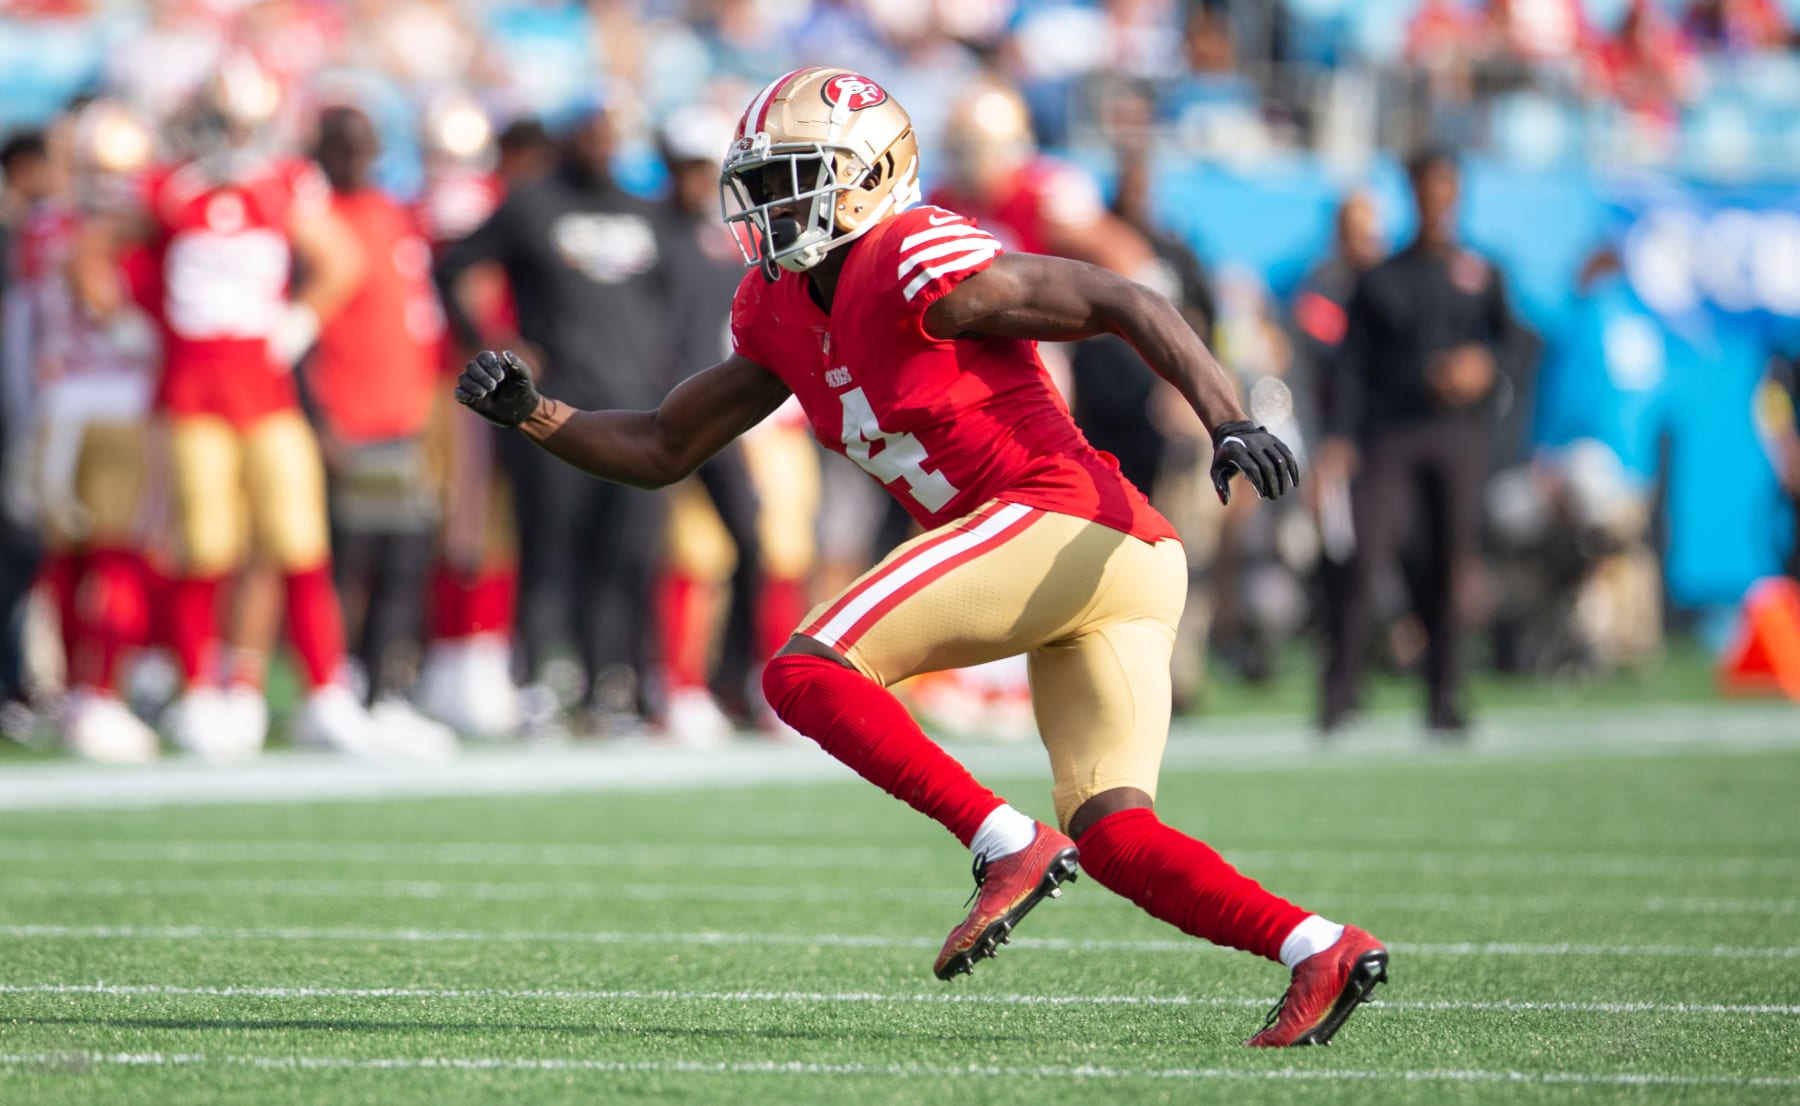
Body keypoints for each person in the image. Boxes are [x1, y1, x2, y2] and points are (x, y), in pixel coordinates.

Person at [454, 67, 1386, 1047]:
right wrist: (535, 413)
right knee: (1116, 831)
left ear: (867, 173)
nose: (769, 208)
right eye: (761, 186)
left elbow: (1119, 296)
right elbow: (659, 445)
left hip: (1060, 517)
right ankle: (1317, 946)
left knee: (806, 666)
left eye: (792, 179)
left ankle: (1005, 840)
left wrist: (1228, 415)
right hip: (1105, 559)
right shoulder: (774, 310)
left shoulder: (910, 255)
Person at [79, 59, 391, 759]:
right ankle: (199, 692)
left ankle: (326, 693)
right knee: (206, 544)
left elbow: (342, 260)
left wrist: (302, 320)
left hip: (266, 392)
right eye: (224, 120)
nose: (233, 135)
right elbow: (91, 253)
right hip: (192, 395)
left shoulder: (281, 187)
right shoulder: (168, 188)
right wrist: (123, 324)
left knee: (299, 540)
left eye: (243, 121)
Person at [436, 105, 674, 731]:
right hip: (551, 411)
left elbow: (682, 295)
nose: (602, 144)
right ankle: (537, 684)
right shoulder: (530, 204)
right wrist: (492, 340)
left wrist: (664, 367)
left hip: (635, 413)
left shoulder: (645, 211)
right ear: (569, 141)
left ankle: (609, 689)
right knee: (548, 550)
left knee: (623, 556)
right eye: (591, 134)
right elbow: (452, 264)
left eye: (610, 134)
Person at [1318, 149, 1523, 735]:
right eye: (1427, 186)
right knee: (1365, 555)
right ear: (1412, 191)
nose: (1437, 198)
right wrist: (1340, 437)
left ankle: (1444, 693)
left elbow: (1516, 342)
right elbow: (1351, 366)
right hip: (1392, 433)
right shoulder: (1381, 278)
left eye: (1446, 186)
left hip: (1457, 434)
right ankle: (1340, 694)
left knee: (1448, 563)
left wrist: (1483, 366)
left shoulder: (1481, 271)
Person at [305, 104, 455, 752]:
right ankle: (334, 690)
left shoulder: (391, 213)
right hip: (347, 415)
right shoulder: (313, 223)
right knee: (348, 563)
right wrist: (317, 417)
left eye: (364, 144)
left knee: (403, 559)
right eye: (343, 145)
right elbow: (297, 330)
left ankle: (385, 690)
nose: (356, 158)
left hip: (402, 415)